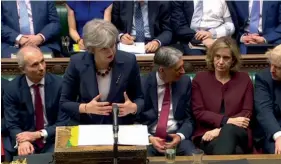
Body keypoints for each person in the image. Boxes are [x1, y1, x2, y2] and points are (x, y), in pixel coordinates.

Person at [60, 19, 144, 125]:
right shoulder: (77, 63)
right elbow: (64, 103)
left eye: (112, 45)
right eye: (104, 48)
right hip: (88, 124)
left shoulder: (129, 61)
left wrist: (133, 107)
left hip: (120, 124)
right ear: (92, 49)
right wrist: (85, 108)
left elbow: (140, 98)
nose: (111, 51)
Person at [192, 37, 254, 154]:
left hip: (239, 132)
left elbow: (247, 112)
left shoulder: (244, 79)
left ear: (233, 60)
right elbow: (199, 112)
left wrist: (220, 130)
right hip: (208, 134)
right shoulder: (200, 79)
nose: (220, 62)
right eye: (217, 56)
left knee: (229, 131)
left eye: (226, 58)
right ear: (212, 57)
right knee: (236, 151)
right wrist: (227, 121)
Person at [4, 46, 69, 156]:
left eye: (42, 61)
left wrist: (38, 134)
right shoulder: (12, 89)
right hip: (26, 139)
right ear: (22, 69)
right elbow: (12, 123)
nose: (41, 68)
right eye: (35, 64)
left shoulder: (60, 85)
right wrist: (23, 141)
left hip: (53, 138)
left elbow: (63, 122)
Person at [139, 47, 195, 156]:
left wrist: (180, 136)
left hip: (177, 137)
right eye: (178, 69)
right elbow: (134, 120)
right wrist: (149, 138)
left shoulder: (185, 82)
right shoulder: (142, 84)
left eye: (183, 67)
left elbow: (189, 118)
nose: (183, 71)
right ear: (161, 70)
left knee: (193, 155)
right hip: (150, 138)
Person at [171, 0, 235, 55]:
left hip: (218, 39)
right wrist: (203, 39)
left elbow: (230, 25)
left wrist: (211, 34)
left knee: (224, 56)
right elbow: (179, 27)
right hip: (192, 40)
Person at [254, 45, 281, 154]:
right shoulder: (263, 78)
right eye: (271, 65)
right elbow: (264, 111)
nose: (272, 70)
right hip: (273, 131)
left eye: (278, 67)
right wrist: (279, 136)